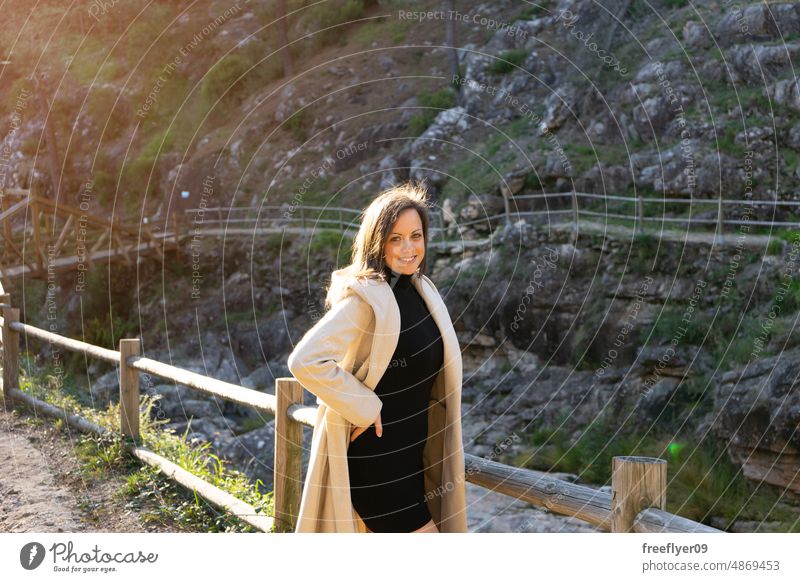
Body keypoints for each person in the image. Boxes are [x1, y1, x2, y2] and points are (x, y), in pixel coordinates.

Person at [287, 181, 468, 533]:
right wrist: (366, 407)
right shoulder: (367, 299)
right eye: (395, 239)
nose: (408, 248)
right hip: (378, 467)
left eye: (415, 236)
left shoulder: (422, 291)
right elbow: (305, 360)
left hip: (412, 463)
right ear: (377, 243)